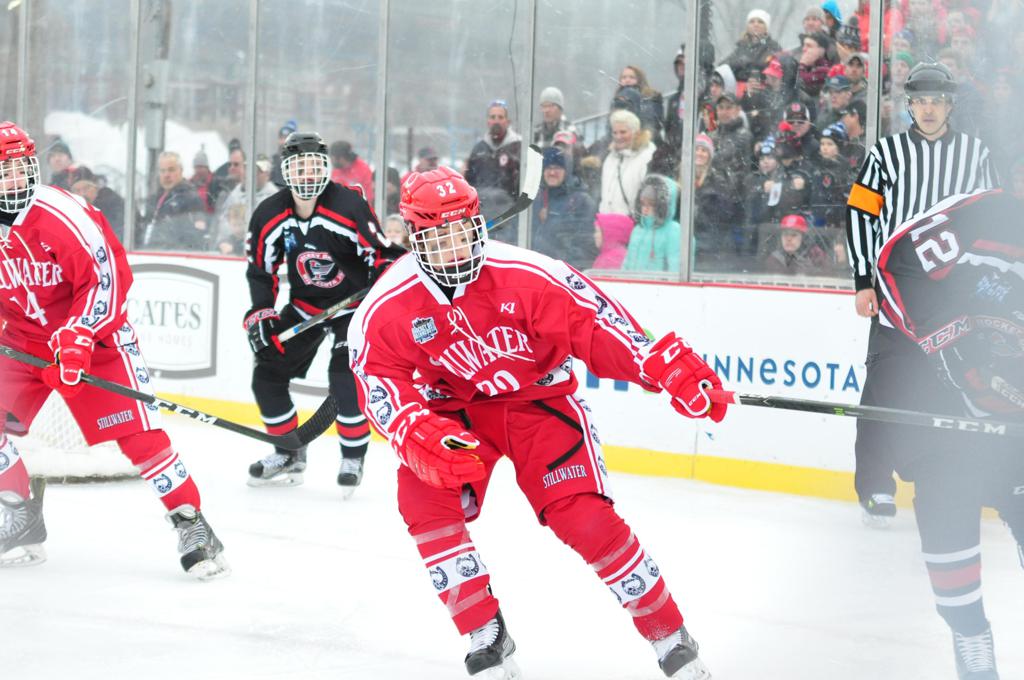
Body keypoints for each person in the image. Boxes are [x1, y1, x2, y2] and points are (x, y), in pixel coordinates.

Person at [348, 165, 725, 679]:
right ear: (415, 237)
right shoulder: (389, 303)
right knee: (424, 501)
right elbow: (376, 375)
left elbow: (595, 326)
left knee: (584, 518)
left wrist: (654, 366)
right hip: (455, 413)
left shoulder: (527, 274)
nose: (457, 247)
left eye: (464, 231)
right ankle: (484, 630)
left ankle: (668, 633)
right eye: (440, 237)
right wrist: (413, 427)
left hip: (540, 403)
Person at [0, 121, 228, 578]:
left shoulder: (63, 215)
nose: (16, 179)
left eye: (21, 167)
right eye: (5, 172)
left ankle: (191, 522)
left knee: (138, 436)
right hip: (22, 342)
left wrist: (78, 336)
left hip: (94, 337)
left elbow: (106, 281)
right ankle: (19, 513)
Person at [873, 187, 1023, 679]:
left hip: (1014, 425)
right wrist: (952, 341)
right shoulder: (987, 214)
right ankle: (970, 633)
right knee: (948, 533)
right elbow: (898, 261)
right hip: (946, 415)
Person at [845, 62, 998, 527]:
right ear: (910, 105)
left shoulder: (975, 153)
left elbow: (990, 218)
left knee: (955, 390)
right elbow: (860, 214)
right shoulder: (886, 153)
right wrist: (863, 279)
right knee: (883, 389)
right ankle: (874, 486)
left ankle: (950, 486)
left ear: (951, 105)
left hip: (951, 296)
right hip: (894, 291)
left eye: (937, 101)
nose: (929, 109)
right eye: (921, 101)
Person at [243, 132, 404, 494]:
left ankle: (353, 456)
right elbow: (261, 271)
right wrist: (262, 312)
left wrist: (382, 274)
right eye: (299, 167)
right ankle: (289, 454)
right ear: (286, 171)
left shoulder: (348, 205)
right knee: (266, 374)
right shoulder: (268, 214)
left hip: (353, 307)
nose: (308, 174)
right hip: (306, 307)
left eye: (314, 166)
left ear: (326, 168)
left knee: (344, 378)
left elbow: (381, 253)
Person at [531, 146, 597, 270]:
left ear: (567, 171)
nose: (552, 173)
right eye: (548, 168)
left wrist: (560, 263)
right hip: (536, 267)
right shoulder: (536, 198)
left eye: (557, 168)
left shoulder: (581, 201)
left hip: (562, 270)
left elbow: (585, 247)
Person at [465, 99, 522, 240]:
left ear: (508, 121)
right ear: (487, 121)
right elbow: (469, 183)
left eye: (500, 117)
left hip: (509, 220)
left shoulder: (518, 147)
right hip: (483, 218)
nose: (496, 121)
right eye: (493, 117)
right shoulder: (479, 149)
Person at [141, 151, 209, 251]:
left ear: (181, 171)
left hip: (173, 256)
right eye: (162, 171)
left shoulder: (192, 199)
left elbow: (196, 238)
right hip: (148, 253)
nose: (166, 175)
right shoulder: (154, 199)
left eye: (171, 170)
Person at [214, 154, 277, 256]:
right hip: (232, 251)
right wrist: (224, 241)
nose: (251, 174)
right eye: (248, 169)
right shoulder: (234, 194)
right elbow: (224, 220)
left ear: (267, 175)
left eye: (258, 171)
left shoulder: (274, 198)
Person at [598, 110, 655, 217]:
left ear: (636, 132)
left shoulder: (647, 157)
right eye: (615, 133)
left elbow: (650, 198)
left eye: (623, 132)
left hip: (632, 223)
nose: (618, 137)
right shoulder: (610, 158)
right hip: (607, 223)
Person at [622, 174, 682, 273]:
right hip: (632, 281)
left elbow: (676, 268)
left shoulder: (673, 231)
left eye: (651, 204)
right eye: (642, 203)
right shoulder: (638, 229)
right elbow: (627, 262)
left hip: (656, 283)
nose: (645, 208)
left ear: (663, 206)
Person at [761, 213, 829, 274]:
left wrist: (811, 270)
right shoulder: (773, 259)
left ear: (803, 238)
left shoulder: (816, 255)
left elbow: (827, 277)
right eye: (785, 234)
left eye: (794, 235)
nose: (788, 239)